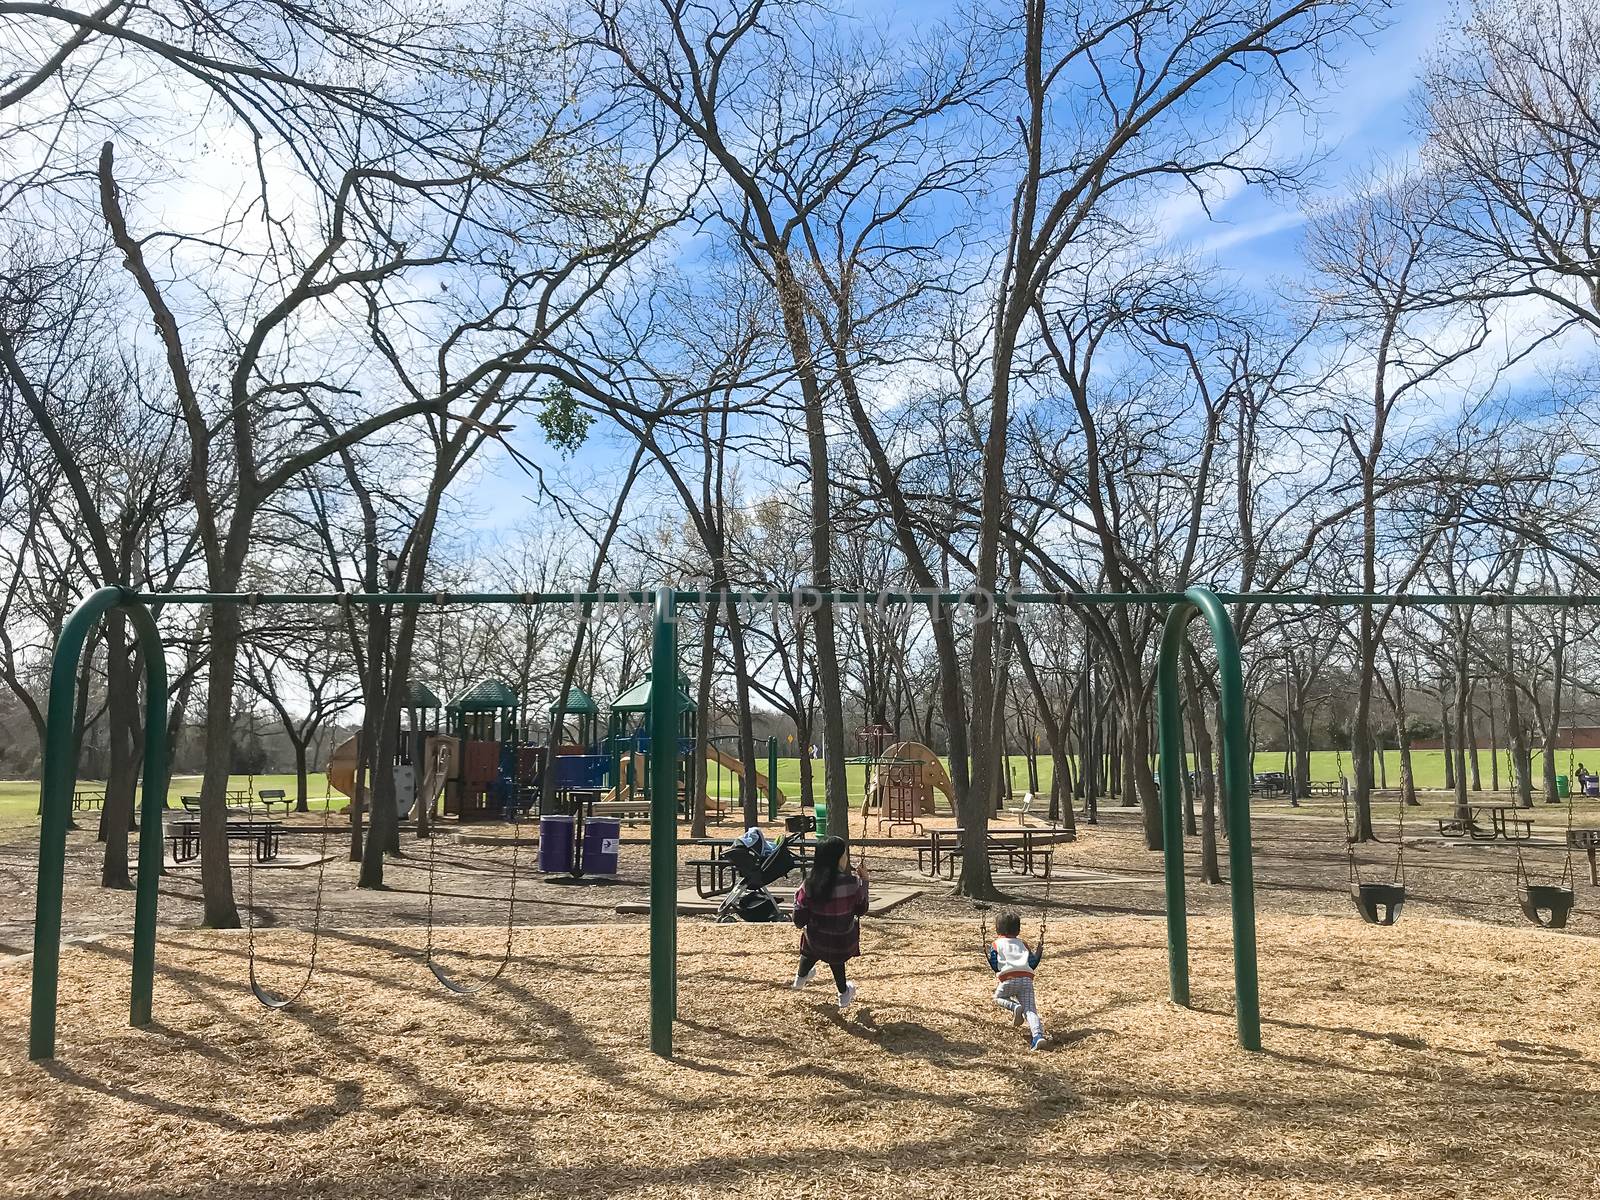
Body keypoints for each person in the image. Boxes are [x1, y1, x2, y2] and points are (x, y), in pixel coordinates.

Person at [790, 835, 869, 1009]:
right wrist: (865, 881)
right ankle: (843, 993)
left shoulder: (808, 885)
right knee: (835, 949)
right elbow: (861, 909)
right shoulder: (852, 884)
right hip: (844, 943)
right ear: (840, 858)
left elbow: (799, 920)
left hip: (816, 941)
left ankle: (800, 979)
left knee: (812, 944)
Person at [987, 909, 1046, 1051]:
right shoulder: (1023, 944)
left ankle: (1014, 1007)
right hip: (1026, 979)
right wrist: (1039, 952)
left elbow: (995, 965)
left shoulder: (996, 944)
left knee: (998, 997)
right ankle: (1038, 1036)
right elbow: (1032, 963)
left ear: (997, 929)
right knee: (1030, 1010)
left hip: (1009, 978)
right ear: (1018, 930)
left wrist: (994, 964)